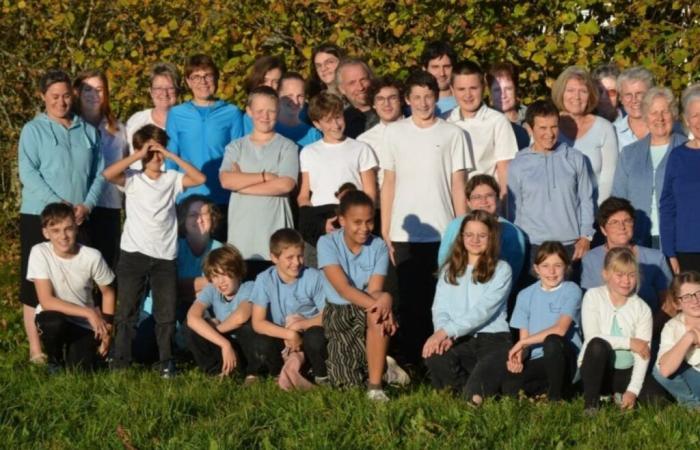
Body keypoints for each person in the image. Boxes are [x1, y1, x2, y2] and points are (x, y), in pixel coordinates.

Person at [380, 70, 470, 364]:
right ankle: (410, 362)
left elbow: (458, 185)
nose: (422, 103)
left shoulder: (453, 134)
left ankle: (438, 360)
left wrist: (462, 229)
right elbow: (389, 183)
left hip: (443, 232)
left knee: (439, 300)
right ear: (407, 100)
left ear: (436, 97)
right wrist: (385, 231)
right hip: (403, 234)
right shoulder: (393, 133)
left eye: (428, 97)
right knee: (407, 300)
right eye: (416, 97)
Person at [104, 124, 206, 377]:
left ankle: (166, 361)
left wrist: (170, 156)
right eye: (150, 152)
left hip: (164, 257)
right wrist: (139, 154)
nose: (155, 157)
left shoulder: (172, 179)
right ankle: (120, 360)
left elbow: (200, 179)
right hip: (133, 254)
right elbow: (108, 174)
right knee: (127, 310)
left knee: (166, 313)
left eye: (158, 151)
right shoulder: (132, 178)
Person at [18, 69, 104, 364]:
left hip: (79, 218)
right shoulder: (33, 130)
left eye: (66, 95)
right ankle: (36, 350)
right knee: (35, 287)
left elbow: (99, 174)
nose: (61, 101)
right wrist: (58, 205)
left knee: (79, 277)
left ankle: (82, 337)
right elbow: (28, 173)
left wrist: (88, 205)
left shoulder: (89, 131)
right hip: (38, 216)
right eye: (54, 96)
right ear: (43, 97)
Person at [317, 191, 402, 401]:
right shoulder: (326, 243)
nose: (364, 228)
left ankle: (376, 387)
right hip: (339, 311)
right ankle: (384, 367)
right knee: (347, 384)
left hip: (367, 307)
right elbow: (343, 289)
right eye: (357, 222)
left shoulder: (379, 246)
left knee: (377, 314)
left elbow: (375, 289)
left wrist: (384, 302)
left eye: (369, 221)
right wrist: (383, 305)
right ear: (342, 220)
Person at [423, 211, 512, 406]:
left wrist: (448, 331)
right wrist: (443, 333)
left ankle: (473, 394)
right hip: (459, 338)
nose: (475, 240)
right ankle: (467, 392)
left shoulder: (502, 269)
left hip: (492, 337)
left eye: (482, 235)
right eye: (469, 234)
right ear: (461, 237)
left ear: (491, 238)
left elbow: (483, 311)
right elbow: (440, 307)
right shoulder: (449, 270)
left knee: (488, 369)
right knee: (434, 355)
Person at [507, 100, 595, 275]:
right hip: (534, 247)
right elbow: (513, 208)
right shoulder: (518, 164)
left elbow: (586, 199)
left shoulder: (576, 158)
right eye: (542, 128)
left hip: (571, 246)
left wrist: (586, 236)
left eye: (553, 127)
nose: (549, 134)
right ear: (530, 129)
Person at [220, 86, 299, 279]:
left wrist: (242, 186)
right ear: (249, 112)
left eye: (271, 111)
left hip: (276, 242)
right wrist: (265, 176)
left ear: (278, 111)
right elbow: (226, 180)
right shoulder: (235, 147)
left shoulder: (287, 147)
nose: (265, 116)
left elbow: (285, 185)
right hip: (242, 242)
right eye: (260, 111)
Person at [134, 194, 223, 364]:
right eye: (193, 215)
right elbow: (168, 287)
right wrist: (206, 283)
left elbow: (221, 289)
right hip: (160, 310)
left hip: (200, 310)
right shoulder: (172, 246)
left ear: (213, 218)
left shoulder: (220, 250)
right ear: (182, 220)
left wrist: (186, 287)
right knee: (142, 351)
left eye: (204, 214)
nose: (199, 219)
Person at [28, 203, 115, 372]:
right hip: (56, 317)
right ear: (46, 233)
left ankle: (77, 352)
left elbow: (108, 292)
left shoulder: (92, 256)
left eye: (68, 229)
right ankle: (55, 360)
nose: (63, 236)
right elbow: (46, 301)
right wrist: (89, 312)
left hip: (84, 325)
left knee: (81, 371)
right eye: (56, 230)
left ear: (76, 227)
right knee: (51, 321)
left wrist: (107, 333)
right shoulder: (39, 252)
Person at [165, 54, 243, 237]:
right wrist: (171, 195)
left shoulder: (231, 113)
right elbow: (171, 157)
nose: (203, 82)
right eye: (196, 77)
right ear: (188, 82)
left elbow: (239, 156)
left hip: (222, 197)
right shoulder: (176, 114)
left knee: (219, 258)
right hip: (187, 198)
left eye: (207, 75)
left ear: (216, 78)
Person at [298, 92, 378, 267]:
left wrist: (358, 220)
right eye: (328, 120)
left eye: (338, 117)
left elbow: (370, 192)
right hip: (322, 221)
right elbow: (304, 195)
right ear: (317, 124)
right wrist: (318, 224)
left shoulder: (361, 149)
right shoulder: (309, 152)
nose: (335, 124)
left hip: (353, 221)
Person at [579, 247, 663, 412]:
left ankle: (619, 393)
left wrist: (633, 390)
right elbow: (592, 338)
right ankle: (591, 404)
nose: (626, 281)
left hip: (626, 370)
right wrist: (630, 342)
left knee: (658, 401)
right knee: (597, 345)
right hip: (596, 367)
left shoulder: (642, 308)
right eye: (620, 275)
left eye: (631, 275)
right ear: (606, 274)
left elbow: (643, 353)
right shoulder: (593, 296)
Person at [502, 242, 582, 401]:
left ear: (566, 267)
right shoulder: (525, 295)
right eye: (545, 266)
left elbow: (560, 330)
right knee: (509, 386)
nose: (551, 272)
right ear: (536, 268)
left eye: (557, 265)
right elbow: (525, 342)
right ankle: (544, 392)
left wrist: (521, 343)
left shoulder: (572, 290)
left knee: (552, 341)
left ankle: (555, 399)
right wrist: (520, 355)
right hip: (538, 359)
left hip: (564, 357)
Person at [612, 87, 687, 248]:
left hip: (680, 238)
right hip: (637, 239)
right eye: (653, 113)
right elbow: (618, 200)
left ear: (673, 115)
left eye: (665, 112)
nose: (659, 118)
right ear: (645, 117)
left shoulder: (688, 149)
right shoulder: (629, 153)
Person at [250, 229, 328, 384]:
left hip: (308, 330)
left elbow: (328, 314)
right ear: (274, 258)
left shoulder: (314, 277)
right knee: (260, 342)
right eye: (290, 258)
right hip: (283, 333)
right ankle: (279, 373)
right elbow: (258, 322)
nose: (297, 262)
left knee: (316, 338)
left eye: (300, 256)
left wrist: (301, 325)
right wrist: (289, 334)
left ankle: (321, 375)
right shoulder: (264, 279)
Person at [73, 70, 128, 270]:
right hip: (78, 208)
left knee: (107, 270)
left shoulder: (119, 130)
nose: (94, 95)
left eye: (99, 89)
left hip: (108, 207)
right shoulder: (69, 127)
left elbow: (127, 170)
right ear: (77, 92)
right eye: (87, 89)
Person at [581, 197, 672, 314]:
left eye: (627, 221)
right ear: (603, 230)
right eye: (614, 222)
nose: (622, 227)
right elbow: (590, 304)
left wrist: (648, 328)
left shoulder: (655, 258)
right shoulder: (591, 259)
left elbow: (669, 303)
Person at [184, 245, 259, 378]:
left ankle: (253, 372)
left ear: (238, 272)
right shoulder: (212, 289)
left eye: (225, 274)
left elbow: (241, 316)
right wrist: (224, 344)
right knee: (191, 327)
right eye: (215, 276)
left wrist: (214, 328)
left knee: (246, 327)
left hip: (246, 348)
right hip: (226, 343)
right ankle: (216, 371)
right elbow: (192, 317)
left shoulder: (249, 287)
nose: (220, 281)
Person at [446, 61, 519, 197]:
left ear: (483, 87)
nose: (468, 95)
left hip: (486, 204)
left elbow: (505, 170)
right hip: (452, 203)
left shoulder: (497, 121)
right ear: (452, 90)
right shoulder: (445, 121)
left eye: (473, 88)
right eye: (461, 89)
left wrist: (504, 209)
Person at [438, 174, 526, 285]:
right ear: (468, 202)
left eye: (489, 195)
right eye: (477, 197)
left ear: (498, 200)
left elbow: (513, 273)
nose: (483, 201)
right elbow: (444, 261)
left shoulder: (512, 232)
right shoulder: (455, 226)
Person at [552, 66, 618, 205]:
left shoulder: (604, 128)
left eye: (583, 91)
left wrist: (596, 214)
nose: (576, 97)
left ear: (590, 96)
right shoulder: (547, 126)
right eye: (570, 90)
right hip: (554, 212)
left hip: (594, 212)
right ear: (561, 93)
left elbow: (608, 178)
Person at [660, 84, 700, 274]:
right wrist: (670, 251)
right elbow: (667, 205)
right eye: (695, 115)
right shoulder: (678, 156)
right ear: (686, 120)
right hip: (685, 250)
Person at [653, 271, 700, 407]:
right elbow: (664, 371)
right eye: (687, 297)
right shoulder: (672, 326)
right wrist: (689, 337)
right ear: (677, 303)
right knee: (659, 368)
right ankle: (694, 406)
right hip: (695, 378)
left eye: (698, 293)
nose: (695, 300)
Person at [357, 77, 404, 190]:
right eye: (380, 99)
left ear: (401, 100)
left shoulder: (418, 131)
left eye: (392, 98)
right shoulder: (364, 141)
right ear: (373, 104)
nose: (386, 104)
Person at [125, 62, 180, 155]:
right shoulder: (136, 121)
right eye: (158, 88)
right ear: (150, 91)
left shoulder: (187, 122)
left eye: (170, 88)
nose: (164, 93)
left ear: (177, 91)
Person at [486, 62, 530, 149]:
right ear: (490, 93)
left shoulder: (531, 117)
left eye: (508, 89)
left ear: (516, 90)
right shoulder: (484, 122)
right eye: (497, 90)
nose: (503, 95)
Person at [242, 55, 288, 134]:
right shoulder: (247, 119)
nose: (269, 85)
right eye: (265, 80)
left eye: (275, 81)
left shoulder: (293, 113)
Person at [275, 72, 322, 148]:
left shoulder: (314, 136)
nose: (295, 101)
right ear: (277, 95)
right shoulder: (265, 129)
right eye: (290, 95)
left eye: (300, 96)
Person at [335, 58, 378, 138]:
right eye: (352, 83)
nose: (360, 87)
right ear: (342, 89)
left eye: (363, 79)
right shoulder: (341, 123)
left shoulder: (389, 111)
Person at [614, 67, 655, 150]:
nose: (634, 100)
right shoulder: (613, 133)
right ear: (621, 99)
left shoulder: (664, 128)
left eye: (640, 94)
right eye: (628, 95)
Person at [420, 41, 458, 116]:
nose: (442, 73)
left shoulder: (466, 103)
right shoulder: (414, 107)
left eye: (446, 66)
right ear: (424, 69)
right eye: (435, 67)